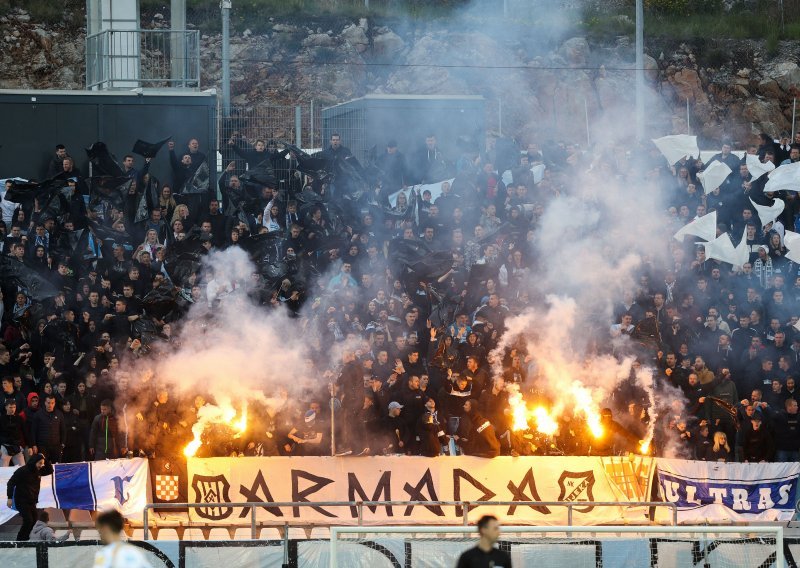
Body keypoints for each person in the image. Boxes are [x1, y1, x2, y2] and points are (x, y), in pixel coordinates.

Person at [6, 453, 53, 541]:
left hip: (32, 501)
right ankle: (20, 541)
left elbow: (50, 470)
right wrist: (9, 498)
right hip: (21, 500)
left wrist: (44, 458)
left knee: (34, 520)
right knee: (28, 520)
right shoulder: (22, 471)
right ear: (34, 462)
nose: (41, 465)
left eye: (42, 463)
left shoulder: (38, 471)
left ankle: (26, 539)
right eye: (40, 463)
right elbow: (11, 483)